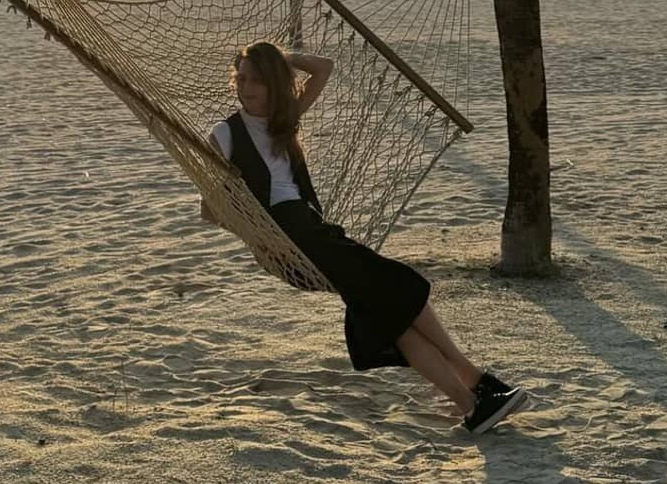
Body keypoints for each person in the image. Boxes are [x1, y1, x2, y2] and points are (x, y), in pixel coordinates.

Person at [202, 39, 528, 435]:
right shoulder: (226, 134)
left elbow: (323, 67)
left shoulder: (282, 121)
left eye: (257, 79)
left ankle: (472, 400)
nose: (246, 87)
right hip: (290, 239)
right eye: (242, 78)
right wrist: (260, 239)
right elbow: (211, 210)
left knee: (389, 316)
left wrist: (279, 58)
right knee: (401, 285)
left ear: (275, 83)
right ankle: (476, 382)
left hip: (314, 230)